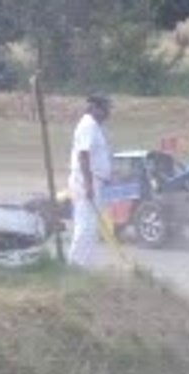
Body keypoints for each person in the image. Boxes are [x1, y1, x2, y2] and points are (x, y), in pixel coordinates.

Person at [67, 93, 112, 268]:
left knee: (91, 226)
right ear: (94, 108)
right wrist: (88, 184)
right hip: (86, 179)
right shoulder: (88, 125)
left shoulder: (94, 126)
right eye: (105, 108)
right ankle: (75, 265)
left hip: (94, 179)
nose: (108, 112)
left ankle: (84, 265)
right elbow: (83, 155)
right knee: (85, 225)